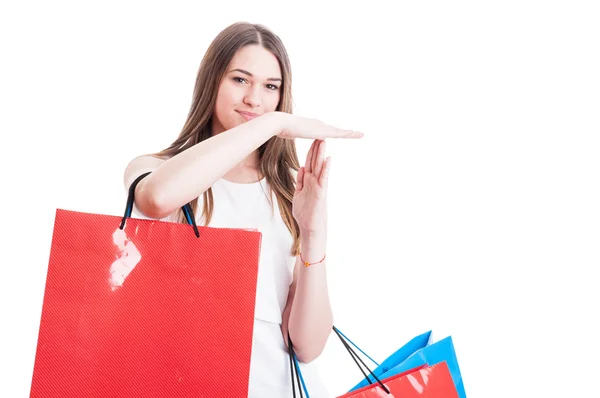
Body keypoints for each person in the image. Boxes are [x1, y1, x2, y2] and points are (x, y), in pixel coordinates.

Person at [123, 21, 363, 397]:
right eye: (240, 80)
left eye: (271, 87)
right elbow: (156, 199)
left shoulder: (290, 188)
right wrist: (275, 122)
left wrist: (313, 236)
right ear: (212, 82)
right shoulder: (157, 169)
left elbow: (307, 346)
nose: (255, 99)